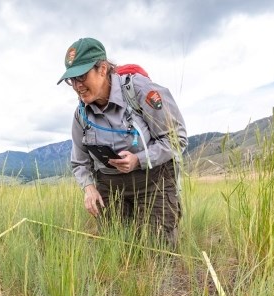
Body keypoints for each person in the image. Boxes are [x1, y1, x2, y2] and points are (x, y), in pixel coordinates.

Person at [57, 37, 187, 247]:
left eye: (81, 76)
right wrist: (89, 187)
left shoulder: (140, 91)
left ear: (102, 69)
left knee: (155, 250)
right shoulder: (81, 114)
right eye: (71, 80)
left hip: (153, 182)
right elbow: (80, 162)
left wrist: (139, 159)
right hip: (110, 186)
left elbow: (176, 138)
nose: (77, 86)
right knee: (117, 247)